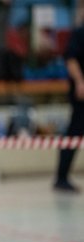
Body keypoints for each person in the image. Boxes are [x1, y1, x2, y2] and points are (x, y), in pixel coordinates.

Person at [53, 23, 84, 193]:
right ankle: (61, 177)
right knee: (74, 134)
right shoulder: (79, 33)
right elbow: (70, 59)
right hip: (81, 97)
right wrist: (80, 81)